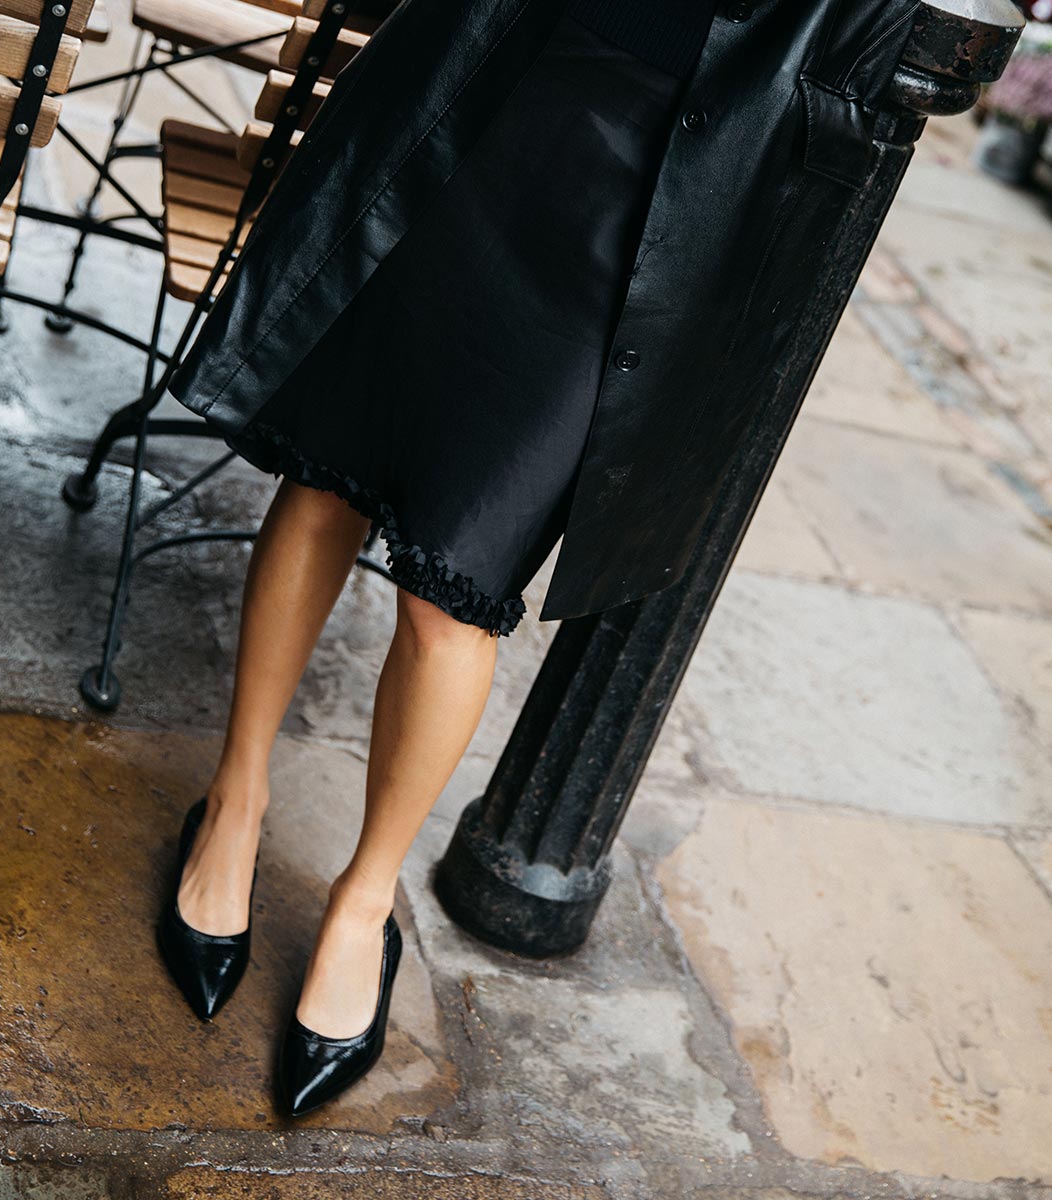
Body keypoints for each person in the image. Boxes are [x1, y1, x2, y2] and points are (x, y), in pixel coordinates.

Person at [157, 0, 719, 1117]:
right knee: (324, 476)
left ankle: (365, 904)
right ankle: (235, 799)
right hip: (489, 75)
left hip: (670, 179)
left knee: (459, 588)